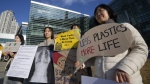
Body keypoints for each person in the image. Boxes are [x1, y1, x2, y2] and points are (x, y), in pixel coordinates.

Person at [75, 4, 148, 84]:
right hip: (99, 81)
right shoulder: (95, 37)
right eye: (96, 14)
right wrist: (82, 62)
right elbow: (90, 55)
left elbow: (141, 48)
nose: (98, 14)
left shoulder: (124, 27)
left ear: (109, 12)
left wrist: (125, 68)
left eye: (100, 10)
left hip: (125, 80)